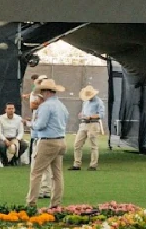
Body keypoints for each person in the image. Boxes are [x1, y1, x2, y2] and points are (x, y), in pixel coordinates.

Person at [26, 78, 68, 209]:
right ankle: (55, 204)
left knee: (36, 172)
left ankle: (31, 203)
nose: (41, 95)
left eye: (42, 92)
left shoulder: (45, 106)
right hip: (61, 140)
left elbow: (41, 125)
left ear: (46, 92)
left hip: (48, 141)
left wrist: (30, 124)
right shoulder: (62, 106)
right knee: (57, 174)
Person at [71, 85, 104, 171]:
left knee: (94, 145)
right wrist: (81, 115)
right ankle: (77, 164)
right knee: (77, 144)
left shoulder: (98, 102)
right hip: (83, 124)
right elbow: (84, 112)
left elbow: (101, 114)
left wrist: (90, 117)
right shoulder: (85, 102)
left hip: (93, 124)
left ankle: (93, 165)